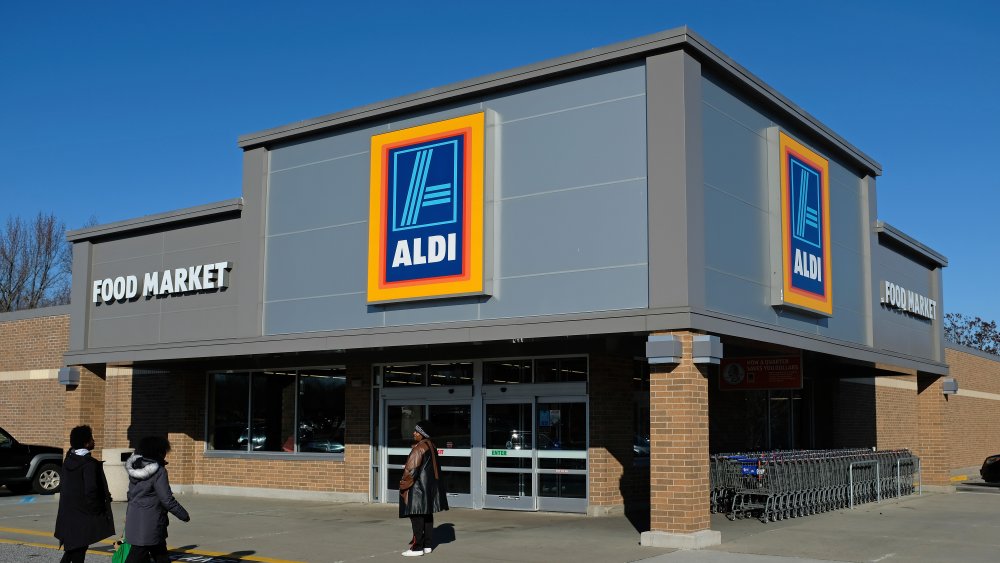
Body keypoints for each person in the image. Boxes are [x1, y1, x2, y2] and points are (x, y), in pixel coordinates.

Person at [53, 425, 116, 563]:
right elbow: (91, 491)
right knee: (78, 552)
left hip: (69, 515)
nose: (94, 441)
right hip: (84, 516)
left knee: (72, 550)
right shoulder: (89, 464)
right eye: (92, 438)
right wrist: (99, 509)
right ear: (86, 443)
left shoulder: (69, 460)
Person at [123, 436, 190, 563]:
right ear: (159, 452)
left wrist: (128, 515)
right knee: (139, 555)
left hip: (135, 518)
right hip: (151, 522)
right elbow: (167, 499)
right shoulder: (159, 471)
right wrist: (183, 514)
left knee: (160, 554)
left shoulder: (136, 468)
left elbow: (130, 495)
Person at [398, 420, 448, 557]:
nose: (414, 433)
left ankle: (417, 548)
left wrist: (402, 485)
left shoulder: (419, 448)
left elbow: (411, 470)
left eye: (417, 431)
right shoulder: (431, 445)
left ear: (422, 434)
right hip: (429, 488)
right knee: (427, 516)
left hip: (418, 489)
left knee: (416, 517)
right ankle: (427, 545)